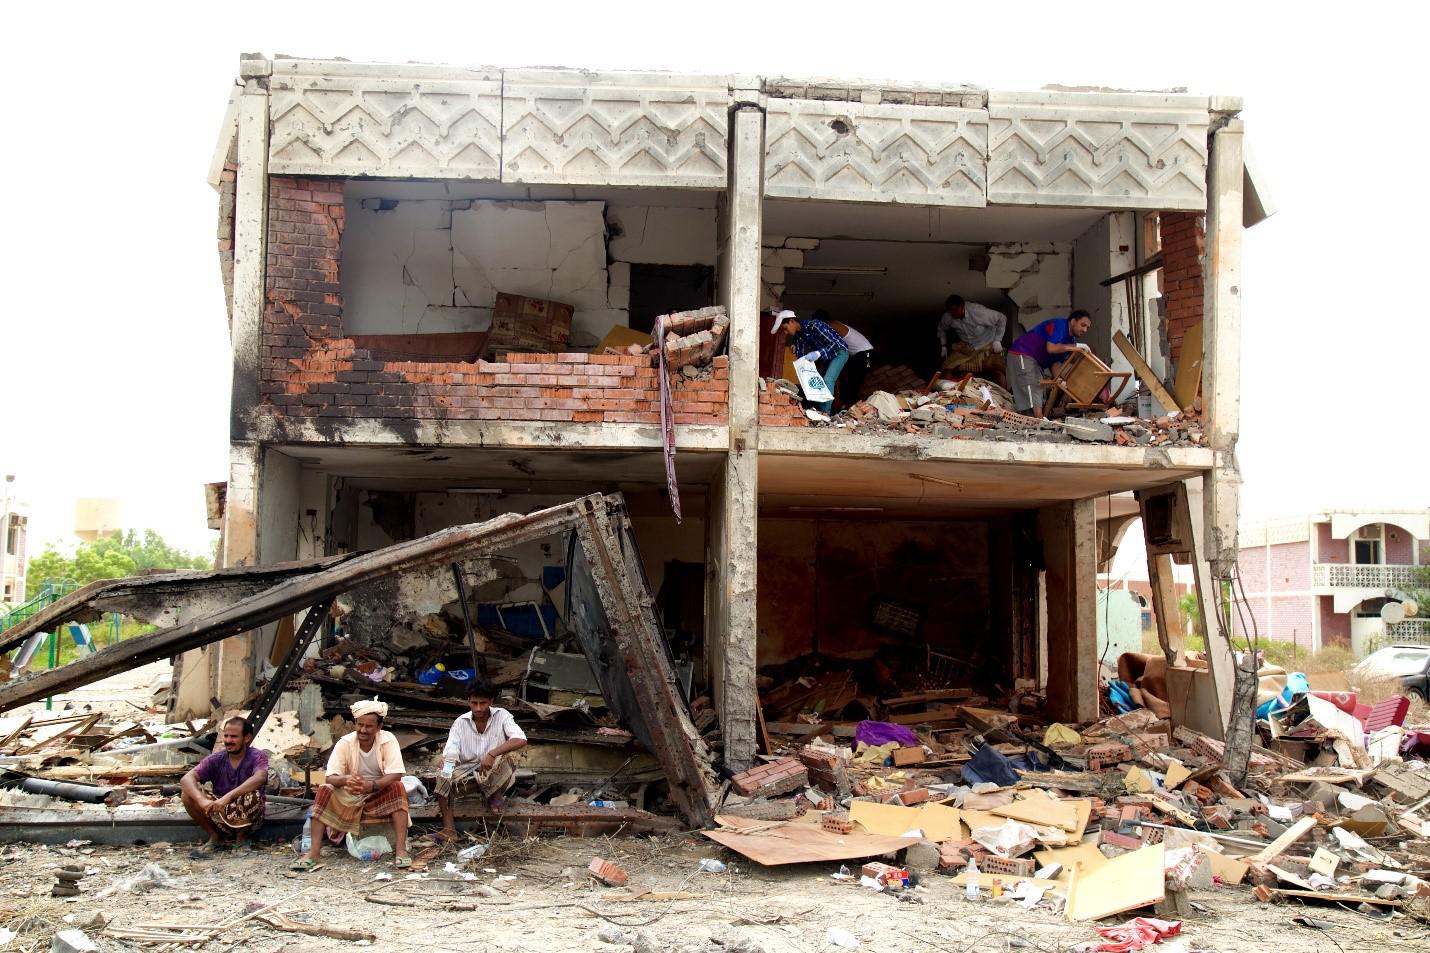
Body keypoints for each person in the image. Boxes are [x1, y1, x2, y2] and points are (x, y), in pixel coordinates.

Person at [292, 698, 411, 871]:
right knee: (325, 790)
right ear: (355, 723)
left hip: (377, 793)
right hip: (350, 794)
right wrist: (347, 780)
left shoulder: (388, 740)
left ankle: (401, 850)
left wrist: (372, 786)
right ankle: (313, 853)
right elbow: (330, 777)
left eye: (369, 726)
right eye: (360, 725)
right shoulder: (345, 742)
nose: (363, 730)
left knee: (397, 788)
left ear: (379, 727)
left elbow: (396, 774)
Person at [436, 682, 529, 842]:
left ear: (491, 701)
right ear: (468, 701)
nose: (478, 708)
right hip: (467, 769)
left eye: (483, 703)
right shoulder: (460, 722)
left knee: (513, 756)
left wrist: (492, 754)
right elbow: (451, 751)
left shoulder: (502, 715)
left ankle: (495, 794)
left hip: (495, 768)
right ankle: (449, 830)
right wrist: (446, 765)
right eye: (474, 703)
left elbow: (521, 739)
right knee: (443, 776)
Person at [180, 716, 269, 857]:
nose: (228, 740)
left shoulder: (257, 756)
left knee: (252, 794)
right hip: (220, 812)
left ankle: (242, 840)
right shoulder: (216, 758)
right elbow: (186, 779)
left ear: (246, 738)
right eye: (226, 736)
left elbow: (260, 778)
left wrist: (228, 797)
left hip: (250, 816)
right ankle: (216, 837)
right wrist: (202, 800)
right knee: (187, 795)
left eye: (233, 736)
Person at [1005, 310, 1094, 415]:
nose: (1085, 330)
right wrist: (1076, 347)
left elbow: (1055, 362)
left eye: (1087, 328)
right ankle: (1038, 421)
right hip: (1022, 353)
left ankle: (1038, 420)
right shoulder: (1060, 325)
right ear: (1073, 321)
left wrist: (1059, 379)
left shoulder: (1071, 340)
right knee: (1032, 385)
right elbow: (1051, 348)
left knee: (1039, 389)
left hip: (1035, 361)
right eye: (1083, 325)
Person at [772, 309, 848, 415]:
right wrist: (803, 368)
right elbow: (801, 356)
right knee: (817, 383)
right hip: (826, 357)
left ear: (792, 322)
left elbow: (834, 344)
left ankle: (826, 413)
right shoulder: (798, 336)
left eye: (785, 328)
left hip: (839, 352)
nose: (786, 332)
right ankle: (821, 412)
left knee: (827, 380)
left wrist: (818, 353)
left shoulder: (814, 325)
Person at [937, 295, 1007, 386]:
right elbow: (942, 329)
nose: (952, 314)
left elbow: (1002, 318)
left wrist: (997, 340)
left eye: (954, 311)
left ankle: (1006, 395)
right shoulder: (948, 316)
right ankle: (944, 392)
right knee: (947, 366)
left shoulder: (978, 312)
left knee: (998, 369)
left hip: (987, 343)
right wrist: (943, 346)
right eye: (950, 311)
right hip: (967, 346)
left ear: (962, 307)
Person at [812, 309, 873, 408]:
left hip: (865, 355)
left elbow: (828, 346)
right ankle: (850, 404)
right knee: (853, 379)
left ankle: (851, 404)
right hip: (866, 355)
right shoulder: (835, 324)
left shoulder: (831, 326)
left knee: (853, 380)